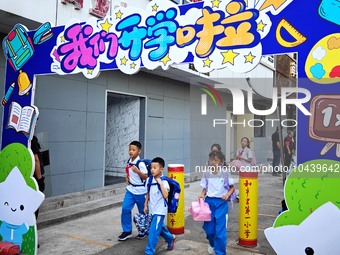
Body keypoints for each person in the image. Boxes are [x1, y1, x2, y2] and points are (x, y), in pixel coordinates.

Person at [199, 150, 235, 255]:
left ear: (221, 161)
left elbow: (232, 188)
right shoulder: (206, 173)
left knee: (220, 232)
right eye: (211, 160)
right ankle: (212, 244)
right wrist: (202, 194)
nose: (213, 162)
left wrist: (227, 195)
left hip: (221, 203)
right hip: (209, 202)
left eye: (216, 160)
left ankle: (220, 252)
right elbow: (205, 187)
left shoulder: (224, 173)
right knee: (209, 229)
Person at [144, 157, 176, 255]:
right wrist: (145, 205)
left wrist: (160, 183)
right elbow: (148, 193)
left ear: (161, 169)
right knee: (159, 227)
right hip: (152, 209)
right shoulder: (149, 180)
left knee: (153, 232)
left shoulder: (164, 181)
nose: (152, 170)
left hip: (160, 210)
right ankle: (170, 238)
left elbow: (166, 195)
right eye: (151, 168)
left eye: (155, 167)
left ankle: (149, 251)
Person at [119, 141, 148, 241]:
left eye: (133, 150)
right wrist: (127, 178)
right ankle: (127, 231)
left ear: (139, 151)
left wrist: (138, 171)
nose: (131, 151)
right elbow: (128, 171)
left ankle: (143, 230)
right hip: (130, 190)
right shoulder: (129, 161)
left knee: (143, 212)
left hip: (141, 191)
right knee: (125, 209)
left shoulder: (141, 163)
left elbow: (146, 177)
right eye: (130, 149)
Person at [31, 135, 45, 219]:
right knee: (34, 205)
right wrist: (40, 180)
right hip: (35, 179)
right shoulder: (32, 139)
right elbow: (36, 160)